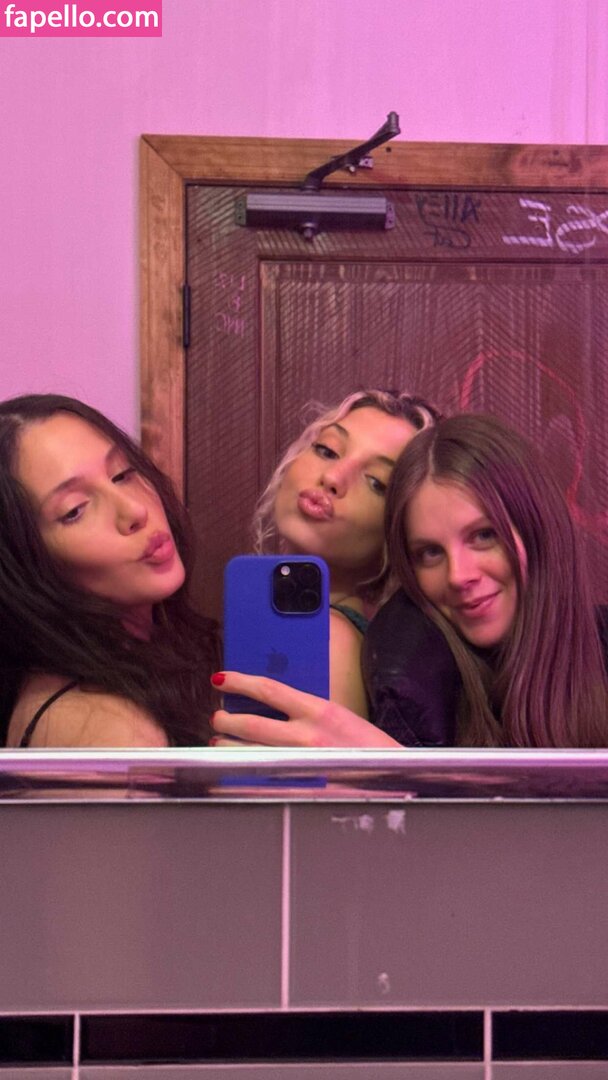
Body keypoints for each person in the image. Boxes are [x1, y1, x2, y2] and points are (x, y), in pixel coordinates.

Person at [211, 413, 607, 748]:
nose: (459, 575)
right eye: (430, 553)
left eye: (484, 536)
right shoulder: (412, 675)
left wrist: (389, 769)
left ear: (538, 526)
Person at [0, 394, 219, 748]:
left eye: (122, 474)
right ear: (24, 565)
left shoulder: (153, 654)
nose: (134, 511)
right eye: (75, 510)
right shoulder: (101, 723)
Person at [251, 388, 441, 716]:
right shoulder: (310, 628)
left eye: (377, 482)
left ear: (398, 533)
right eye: (327, 450)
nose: (333, 478)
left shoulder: (329, 640)